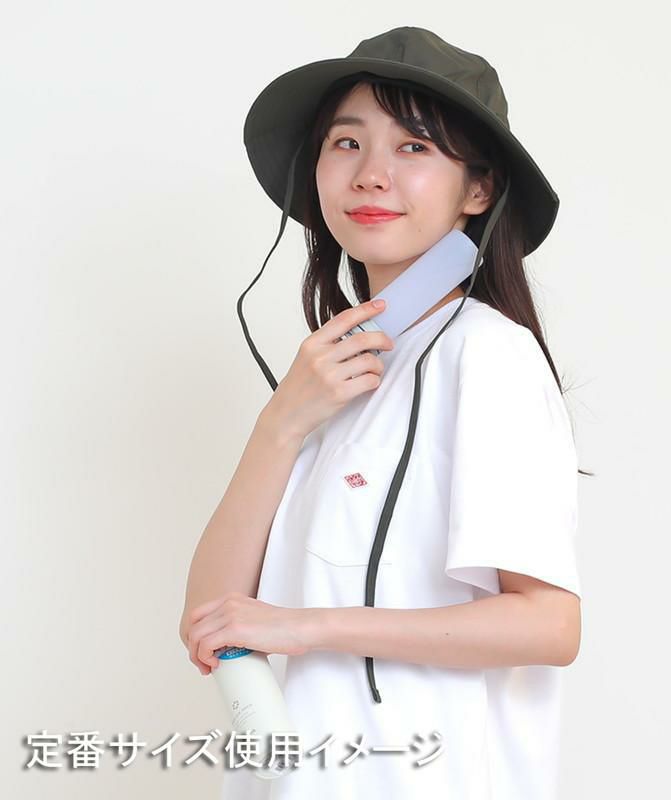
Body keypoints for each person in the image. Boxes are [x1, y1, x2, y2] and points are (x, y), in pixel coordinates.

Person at [180, 26, 589, 800]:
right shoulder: (327, 379)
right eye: (346, 143)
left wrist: (308, 626)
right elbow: (210, 619)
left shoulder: (486, 353)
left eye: (414, 147)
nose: (370, 174)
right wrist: (279, 424)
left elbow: (548, 624)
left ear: (478, 190)